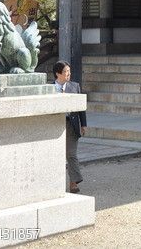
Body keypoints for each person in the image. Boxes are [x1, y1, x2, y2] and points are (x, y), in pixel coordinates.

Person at [53, 60, 87, 193]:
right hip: (55, 125)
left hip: (71, 125)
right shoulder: (48, 88)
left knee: (71, 154)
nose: (68, 74)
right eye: (65, 71)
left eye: (69, 71)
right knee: (54, 155)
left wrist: (83, 124)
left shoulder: (75, 86)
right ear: (57, 73)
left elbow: (81, 108)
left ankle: (73, 183)